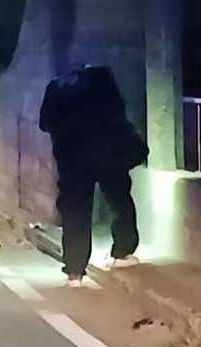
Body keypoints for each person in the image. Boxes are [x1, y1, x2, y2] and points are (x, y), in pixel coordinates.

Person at [38, 64, 148, 287]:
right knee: (119, 201)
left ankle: (75, 272)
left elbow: (45, 123)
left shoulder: (56, 87)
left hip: (72, 157)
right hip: (109, 153)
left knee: (75, 211)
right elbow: (118, 110)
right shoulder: (102, 79)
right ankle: (122, 253)